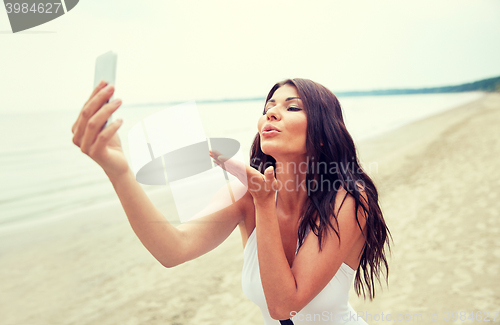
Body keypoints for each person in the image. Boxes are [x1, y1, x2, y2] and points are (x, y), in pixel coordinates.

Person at [71, 78, 391, 324]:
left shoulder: (348, 199)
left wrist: (264, 203)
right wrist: (119, 171)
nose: (272, 113)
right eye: (267, 108)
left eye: (292, 107)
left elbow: (285, 305)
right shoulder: (246, 194)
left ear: (322, 134)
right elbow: (173, 249)